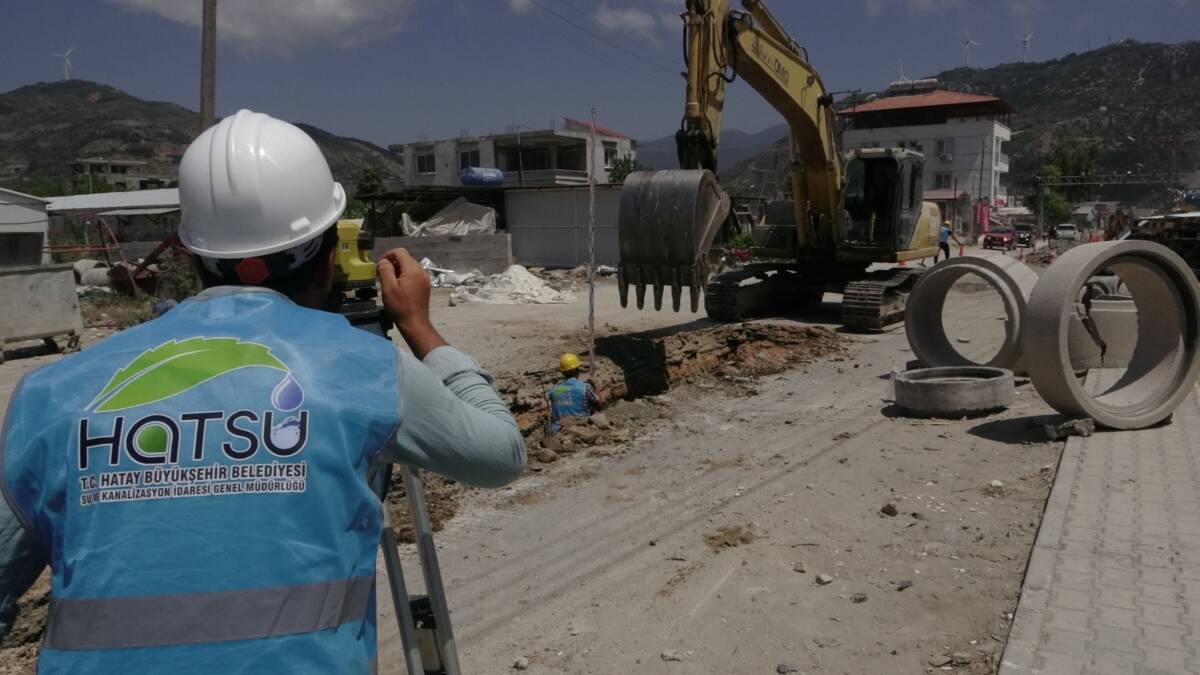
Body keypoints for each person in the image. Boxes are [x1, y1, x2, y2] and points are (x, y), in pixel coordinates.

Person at [0, 110, 525, 674]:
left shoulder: (51, 392)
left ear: (189, 253)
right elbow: (499, 454)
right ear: (328, 254)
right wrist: (419, 328)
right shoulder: (361, 366)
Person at [546, 352, 600, 433]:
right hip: (580, 428)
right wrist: (596, 387)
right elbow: (599, 406)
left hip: (558, 430)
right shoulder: (585, 387)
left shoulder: (554, 390)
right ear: (576, 370)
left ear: (563, 372)